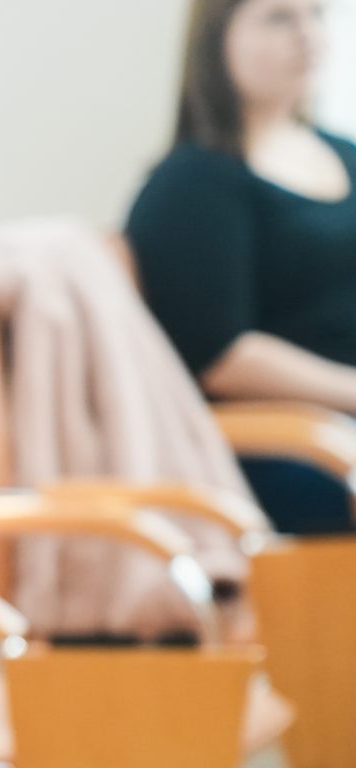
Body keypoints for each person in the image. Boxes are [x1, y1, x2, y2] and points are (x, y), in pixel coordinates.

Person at [128, 0, 356, 532]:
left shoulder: (345, 154)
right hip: (282, 444)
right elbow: (222, 355)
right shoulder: (193, 181)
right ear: (217, 41)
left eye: (315, 14)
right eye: (279, 18)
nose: (306, 34)